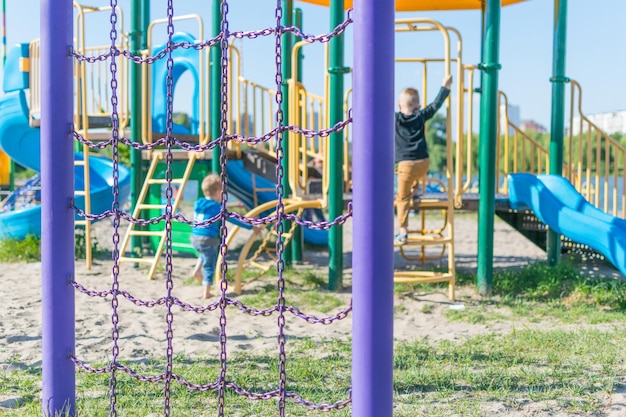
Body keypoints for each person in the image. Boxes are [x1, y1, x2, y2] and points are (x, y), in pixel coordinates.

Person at [394, 74, 453, 245]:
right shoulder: (420, 116)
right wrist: (445, 86)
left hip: (406, 165)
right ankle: (417, 193)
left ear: (399, 105)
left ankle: (403, 232)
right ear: (418, 105)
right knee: (414, 177)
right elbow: (435, 105)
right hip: (424, 163)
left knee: (402, 198)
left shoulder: (396, 119)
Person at [191, 173, 261, 298]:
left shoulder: (198, 203)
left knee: (204, 253)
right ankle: (206, 293)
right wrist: (251, 226)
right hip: (208, 239)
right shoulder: (217, 208)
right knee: (209, 264)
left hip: (195, 238)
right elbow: (234, 219)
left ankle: (196, 271)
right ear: (218, 192)